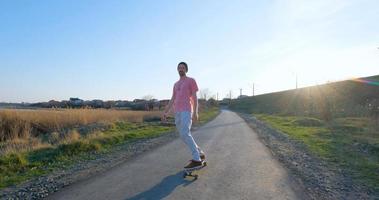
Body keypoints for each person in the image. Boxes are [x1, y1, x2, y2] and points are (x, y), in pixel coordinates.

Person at [162, 61, 205, 170]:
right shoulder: (175, 84)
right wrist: (165, 111)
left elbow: (195, 97)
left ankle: (197, 159)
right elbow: (173, 99)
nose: (181, 69)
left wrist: (195, 112)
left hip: (186, 110)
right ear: (177, 70)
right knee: (183, 135)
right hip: (177, 111)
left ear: (186, 69)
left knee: (185, 133)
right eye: (179, 68)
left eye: (183, 68)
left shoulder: (191, 81)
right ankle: (199, 153)